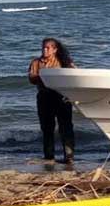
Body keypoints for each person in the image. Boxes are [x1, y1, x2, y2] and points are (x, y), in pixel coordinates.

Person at [29, 37, 76, 165]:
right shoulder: (35, 62)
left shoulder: (64, 61)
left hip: (62, 97)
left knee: (66, 127)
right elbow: (31, 79)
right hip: (44, 97)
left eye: (48, 48)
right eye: (43, 48)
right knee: (47, 128)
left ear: (55, 50)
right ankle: (49, 156)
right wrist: (43, 75)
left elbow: (74, 76)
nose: (45, 50)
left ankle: (69, 156)